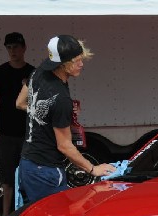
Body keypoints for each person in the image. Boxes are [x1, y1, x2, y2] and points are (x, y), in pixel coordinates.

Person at [16, 35, 115, 205]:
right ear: (63, 64)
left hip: (27, 164)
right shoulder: (61, 99)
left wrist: (52, 113)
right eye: (77, 61)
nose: (82, 64)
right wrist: (93, 169)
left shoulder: (38, 72)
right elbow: (65, 146)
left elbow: (20, 103)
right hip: (46, 171)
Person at [0, 32, 35, 216]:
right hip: (6, 134)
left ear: (24, 48)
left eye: (16, 47)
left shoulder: (34, 72)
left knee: (28, 175)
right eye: (8, 47)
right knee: (8, 176)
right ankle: (5, 215)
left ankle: (26, 213)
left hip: (28, 133)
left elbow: (37, 103)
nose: (12, 51)